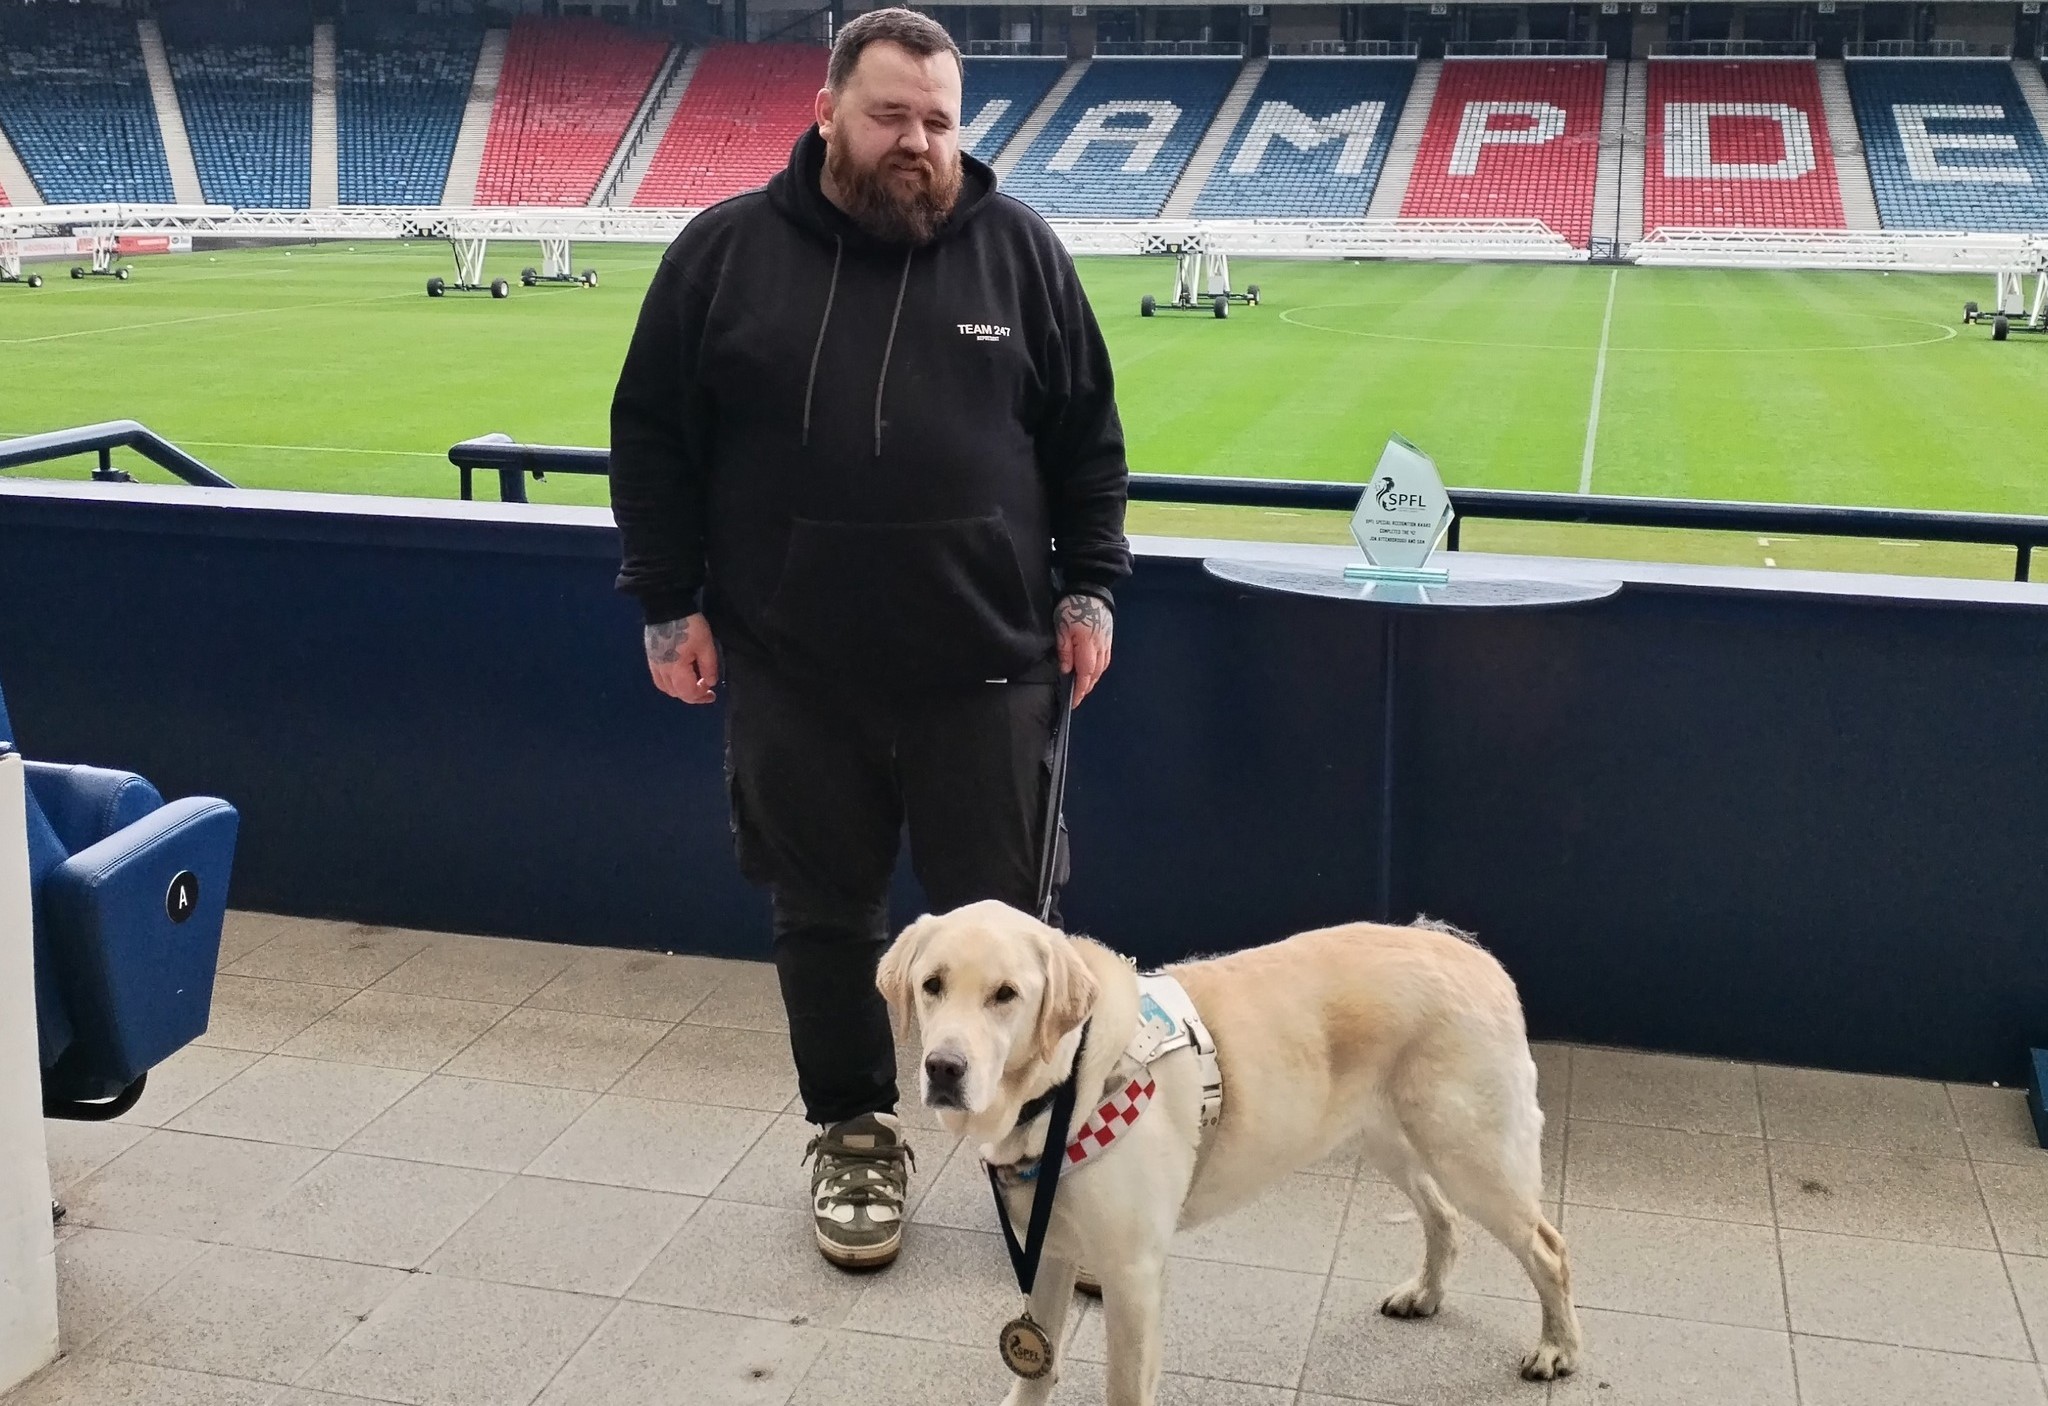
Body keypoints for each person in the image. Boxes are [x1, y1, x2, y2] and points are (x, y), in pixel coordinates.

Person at [608, 7, 1130, 1272]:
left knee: (1010, 937)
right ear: (827, 111)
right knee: (825, 919)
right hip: (797, 674)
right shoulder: (723, 254)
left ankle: (1025, 1146)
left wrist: (1089, 589)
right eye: (892, 115)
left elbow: (1085, 442)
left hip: (987, 672)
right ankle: (853, 1133)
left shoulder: (1019, 253)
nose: (918, 143)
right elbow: (652, 438)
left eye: (940, 121)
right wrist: (667, 602)